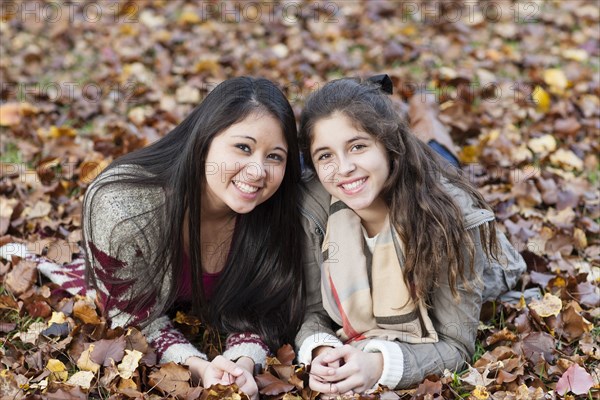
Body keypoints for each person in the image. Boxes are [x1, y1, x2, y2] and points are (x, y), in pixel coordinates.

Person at [295, 77, 525, 394]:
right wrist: (319, 350)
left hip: (425, 191)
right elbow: (314, 310)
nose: (343, 167)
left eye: (358, 146)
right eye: (325, 155)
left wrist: (378, 365)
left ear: (388, 145)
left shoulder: (452, 216)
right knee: (429, 153)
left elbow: (456, 345)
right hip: (390, 174)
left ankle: (425, 111)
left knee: (441, 155)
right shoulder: (316, 205)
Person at [82, 77, 304, 399]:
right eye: (243, 147)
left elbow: (265, 305)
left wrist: (241, 363)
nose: (258, 171)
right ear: (204, 141)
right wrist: (197, 366)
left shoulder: (276, 207)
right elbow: (132, 318)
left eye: (275, 157)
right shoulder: (122, 206)